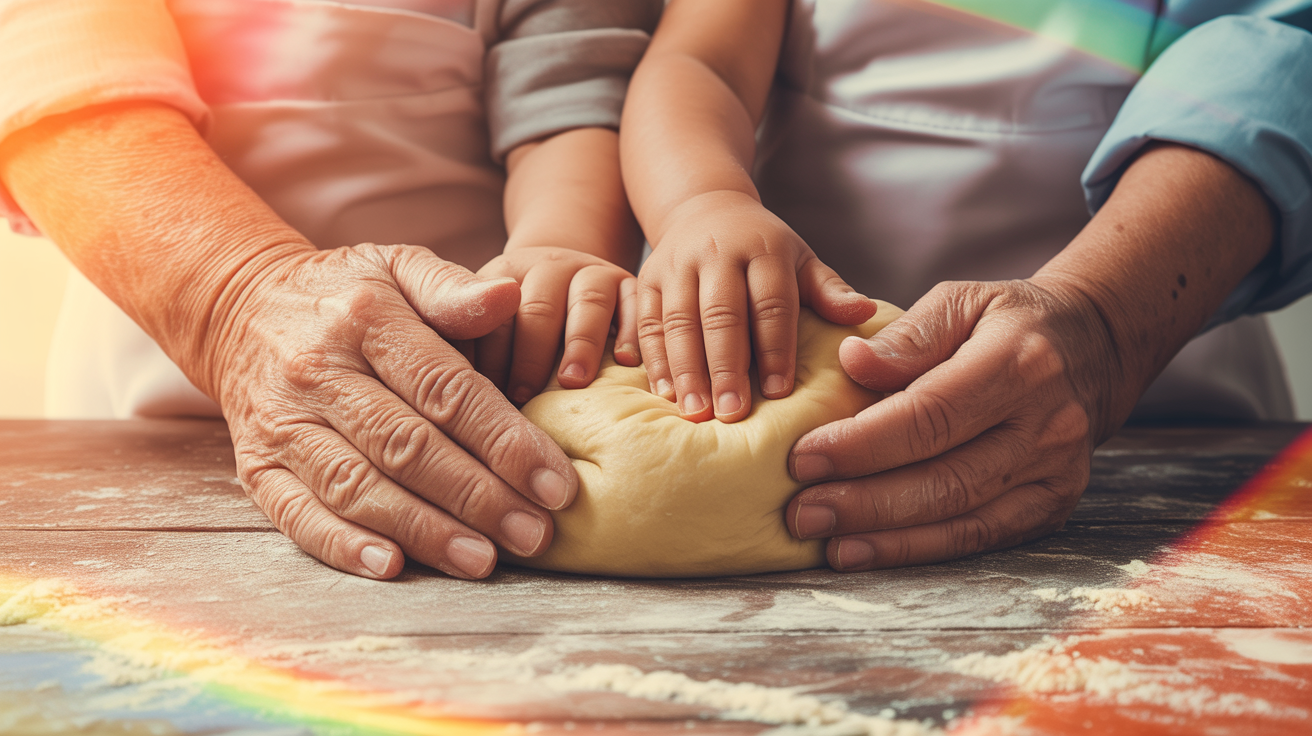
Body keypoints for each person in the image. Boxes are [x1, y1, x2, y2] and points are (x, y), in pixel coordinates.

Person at [622, 0, 1312, 569]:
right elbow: (699, 62)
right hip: (772, 388)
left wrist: (1102, 325)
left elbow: (1279, 62)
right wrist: (702, 201)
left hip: (1162, 413)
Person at [0, 0, 659, 579]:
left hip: (453, 440)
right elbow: (49, 56)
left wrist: (550, 267)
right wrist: (232, 298)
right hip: (138, 447)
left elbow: (571, 95)